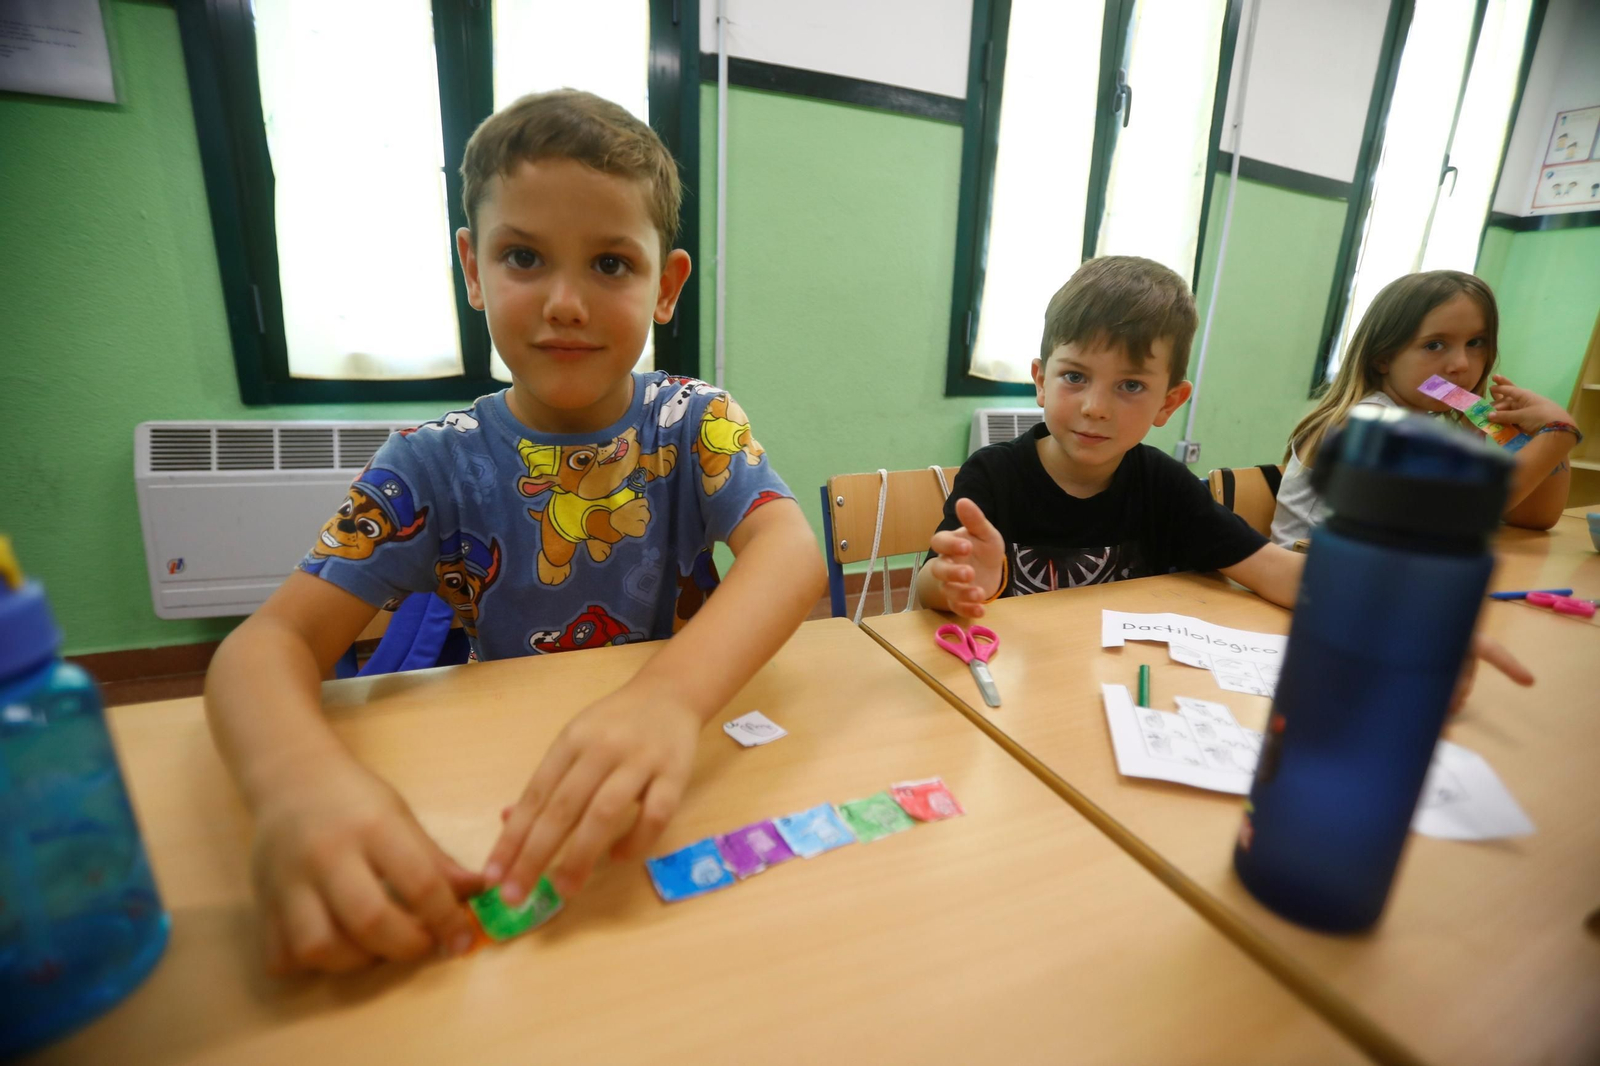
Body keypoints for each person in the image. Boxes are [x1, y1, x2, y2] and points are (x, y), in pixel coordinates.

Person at [204, 89, 825, 974]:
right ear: (472, 266)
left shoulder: (695, 420)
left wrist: (669, 700)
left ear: (666, 286)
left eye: (610, 263)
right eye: (524, 257)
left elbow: (790, 552)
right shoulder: (430, 462)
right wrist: (295, 785)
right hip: (508, 784)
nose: (565, 302)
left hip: (668, 773)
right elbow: (267, 643)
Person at [1271, 270, 1577, 547]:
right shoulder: (1367, 422)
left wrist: (1536, 438)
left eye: (1475, 343)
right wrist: (1558, 433)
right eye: (1434, 345)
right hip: (1307, 580)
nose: (1461, 364)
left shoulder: (1425, 426)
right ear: (1383, 358)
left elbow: (1536, 518)